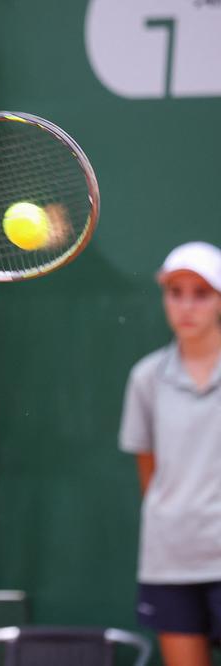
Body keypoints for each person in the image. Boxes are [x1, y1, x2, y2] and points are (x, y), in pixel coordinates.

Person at [119, 241, 221, 666]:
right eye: (175, 292)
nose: (186, 306)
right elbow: (150, 469)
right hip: (170, 561)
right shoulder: (146, 378)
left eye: (200, 293)